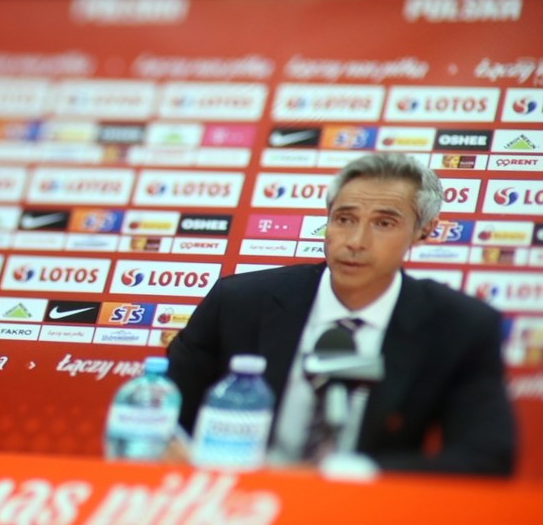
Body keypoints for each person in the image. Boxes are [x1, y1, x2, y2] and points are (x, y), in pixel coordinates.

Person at [167, 152, 516, 476]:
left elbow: (486, 455)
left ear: (424, 231)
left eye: (383, 224)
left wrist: (355, 476)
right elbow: (165, 415)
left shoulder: (461, 326)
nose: (355, 241)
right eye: (345, 219)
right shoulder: (239, 302)